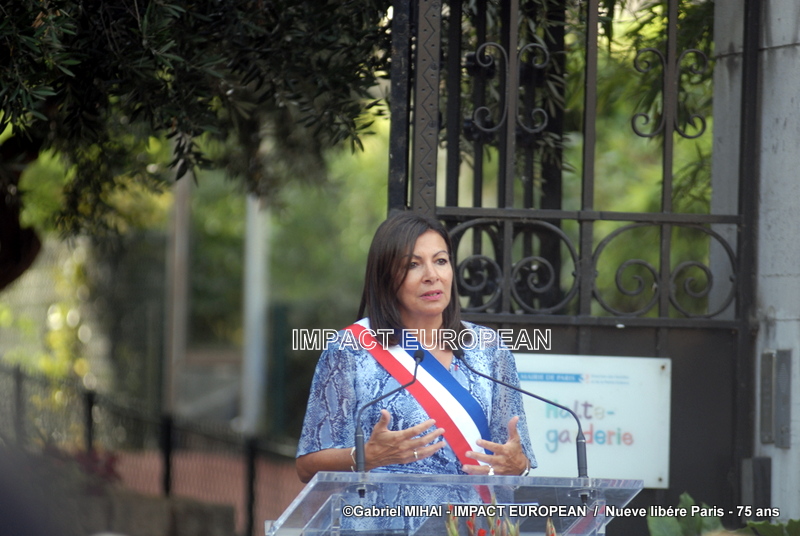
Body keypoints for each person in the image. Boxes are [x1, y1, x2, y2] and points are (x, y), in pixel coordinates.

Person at [296, 211, 536, 484]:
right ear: (385, 276)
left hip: (470, 512)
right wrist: (365, 456)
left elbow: (519, 460)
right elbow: (306, 467)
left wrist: (518, 466)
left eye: (441, 261)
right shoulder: (350, 349)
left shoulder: (489, 348)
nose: (432, 275)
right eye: (413, 265)